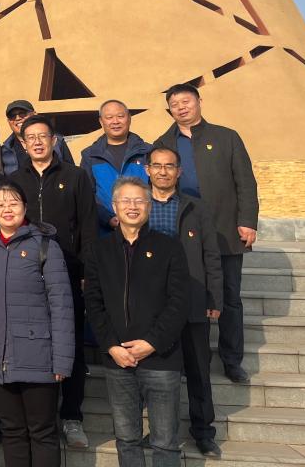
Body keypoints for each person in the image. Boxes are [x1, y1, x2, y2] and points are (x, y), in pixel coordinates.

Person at [153, 82, 259, 384]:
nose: (181, 107)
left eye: (186, 101)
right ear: (169, 110)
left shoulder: (226, 137)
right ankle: (190, 359)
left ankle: (232, 359)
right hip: (182, 233)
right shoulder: (163, 143)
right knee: (183, 296)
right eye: (175, 104)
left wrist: (247, 220)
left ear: (199, 101)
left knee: (229, 297)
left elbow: (245, 182)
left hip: (224, 229)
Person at [84, 177, 190, 467]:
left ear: (149, 206)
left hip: (161, 359)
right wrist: (111, 346)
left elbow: (179, 302)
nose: (132, 206)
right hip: (118, 360)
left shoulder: (169, 248)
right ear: (114, 206)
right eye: (125, 200)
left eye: (139, 200)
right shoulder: (99, 250)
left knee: (165, 441)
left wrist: (152, 342)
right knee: (126, 438)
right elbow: (93, 302)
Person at [9, 115, 95, 448]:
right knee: (33, 344)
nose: (37, 142)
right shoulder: (15, 180)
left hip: (69, 273)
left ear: (54, 140)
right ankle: (38, 417)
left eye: (42, 136)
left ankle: (72, 416)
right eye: (30, 137)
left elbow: (88, 226)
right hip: (26, 276)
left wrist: (87, 272)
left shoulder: (76, 176)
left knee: (70, 342)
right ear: (22, 143)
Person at [0, 182, 74, 467]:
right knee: (12, 432)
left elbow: (61, 305)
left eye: (13, 203)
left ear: (25, 207)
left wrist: (62, 360)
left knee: (42, 432)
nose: (7, 209)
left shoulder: (45, 246)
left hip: (39, 358)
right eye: (0, 204)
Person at [146, 147, 224, 457]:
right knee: (157, 375)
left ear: (179, 172)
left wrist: (214, 296)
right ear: (148, 170)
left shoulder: (196, 208)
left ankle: (203, 431)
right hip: (153, 305)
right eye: (157, 166)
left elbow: (211, 256)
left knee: (198, 370)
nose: (163, 171)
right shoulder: (139, 206)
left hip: (192, 302)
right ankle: (160, 430)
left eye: (169, 166)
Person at [80, 100, 151, 236]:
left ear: (129, 118)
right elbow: (86, 196)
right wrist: (107, 218)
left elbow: (157, 190)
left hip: (145, 229)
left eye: (120, 116)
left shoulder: (146, 152)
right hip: (106, 233)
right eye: (109, 117)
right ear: (101, 121)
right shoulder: (90, 156)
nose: (115, 121)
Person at [0, 100, 74, 176]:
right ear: (8, 121)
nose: (17, 118)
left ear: (34, 114)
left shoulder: (57, 142)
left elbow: (71, 172)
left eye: (22, 114)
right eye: (12, 116)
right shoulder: (4, 150)